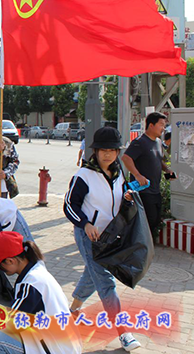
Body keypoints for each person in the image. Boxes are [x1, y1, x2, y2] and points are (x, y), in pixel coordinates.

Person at [64, 126, 141, 351]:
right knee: (105, 281)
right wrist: (85, 223)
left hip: (110, 235)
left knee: (93, 272)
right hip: (89, 235)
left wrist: (128, 197)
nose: (107, 154)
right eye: (102, 150)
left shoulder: (118, 173)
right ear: (95, 152)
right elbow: (69, 205)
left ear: (117, 152)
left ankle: (73, 311)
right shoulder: (83, 175)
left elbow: (121, 198)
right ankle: (123, 332)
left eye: (112, 150)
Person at [0, 232, 82, 354]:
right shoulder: (35, 270)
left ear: (10, 261)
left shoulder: (31, 284)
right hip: (60, 343)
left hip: (55, 348)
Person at [121, 112, 176, 233]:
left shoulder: (158, 142)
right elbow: (126, 158)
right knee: (148, 221)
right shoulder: (139, 142)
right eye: (161, 125)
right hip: (143, 191)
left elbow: (157, 160)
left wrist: (167, 170)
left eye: (164, 125)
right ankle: (140, 246)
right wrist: (137, 175)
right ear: (151, 125)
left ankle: (146, 246)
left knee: (155, 220)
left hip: (155, 189)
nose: (163, 128)